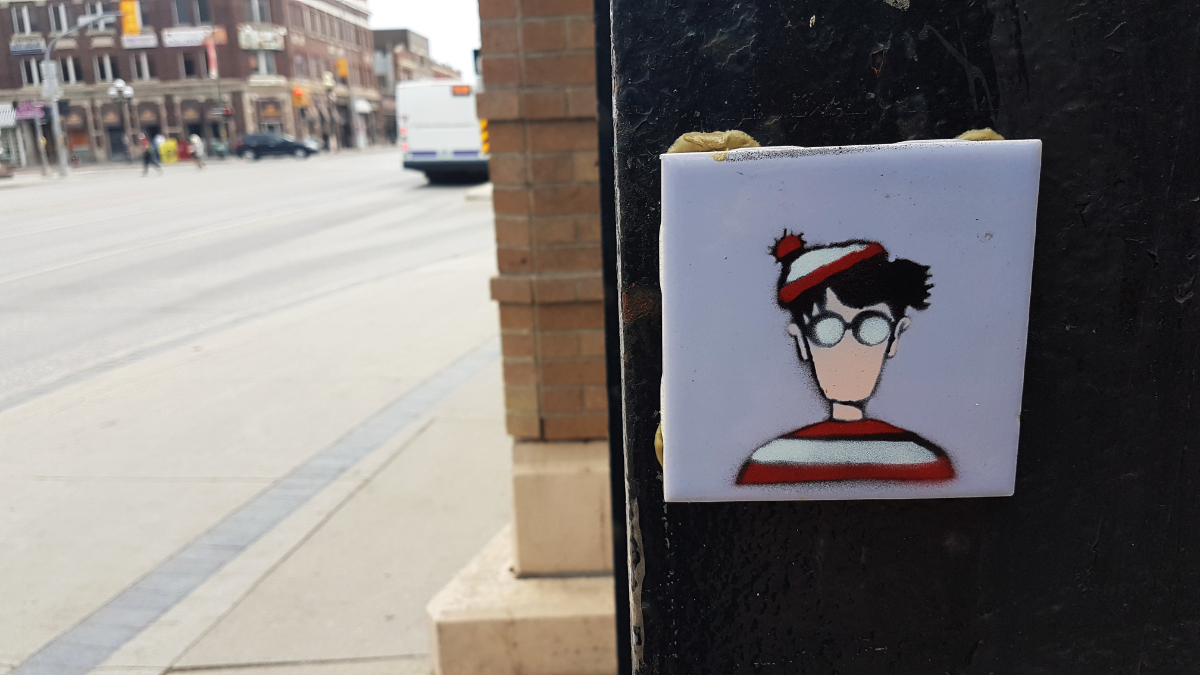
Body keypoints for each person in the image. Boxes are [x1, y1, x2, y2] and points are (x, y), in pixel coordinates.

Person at [737, 232, 955, 485]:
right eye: (828, 329)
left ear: (894, 337)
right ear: (802, 341)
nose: (849, 350)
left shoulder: (924, 462)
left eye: (872, 327)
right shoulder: (768, 464)